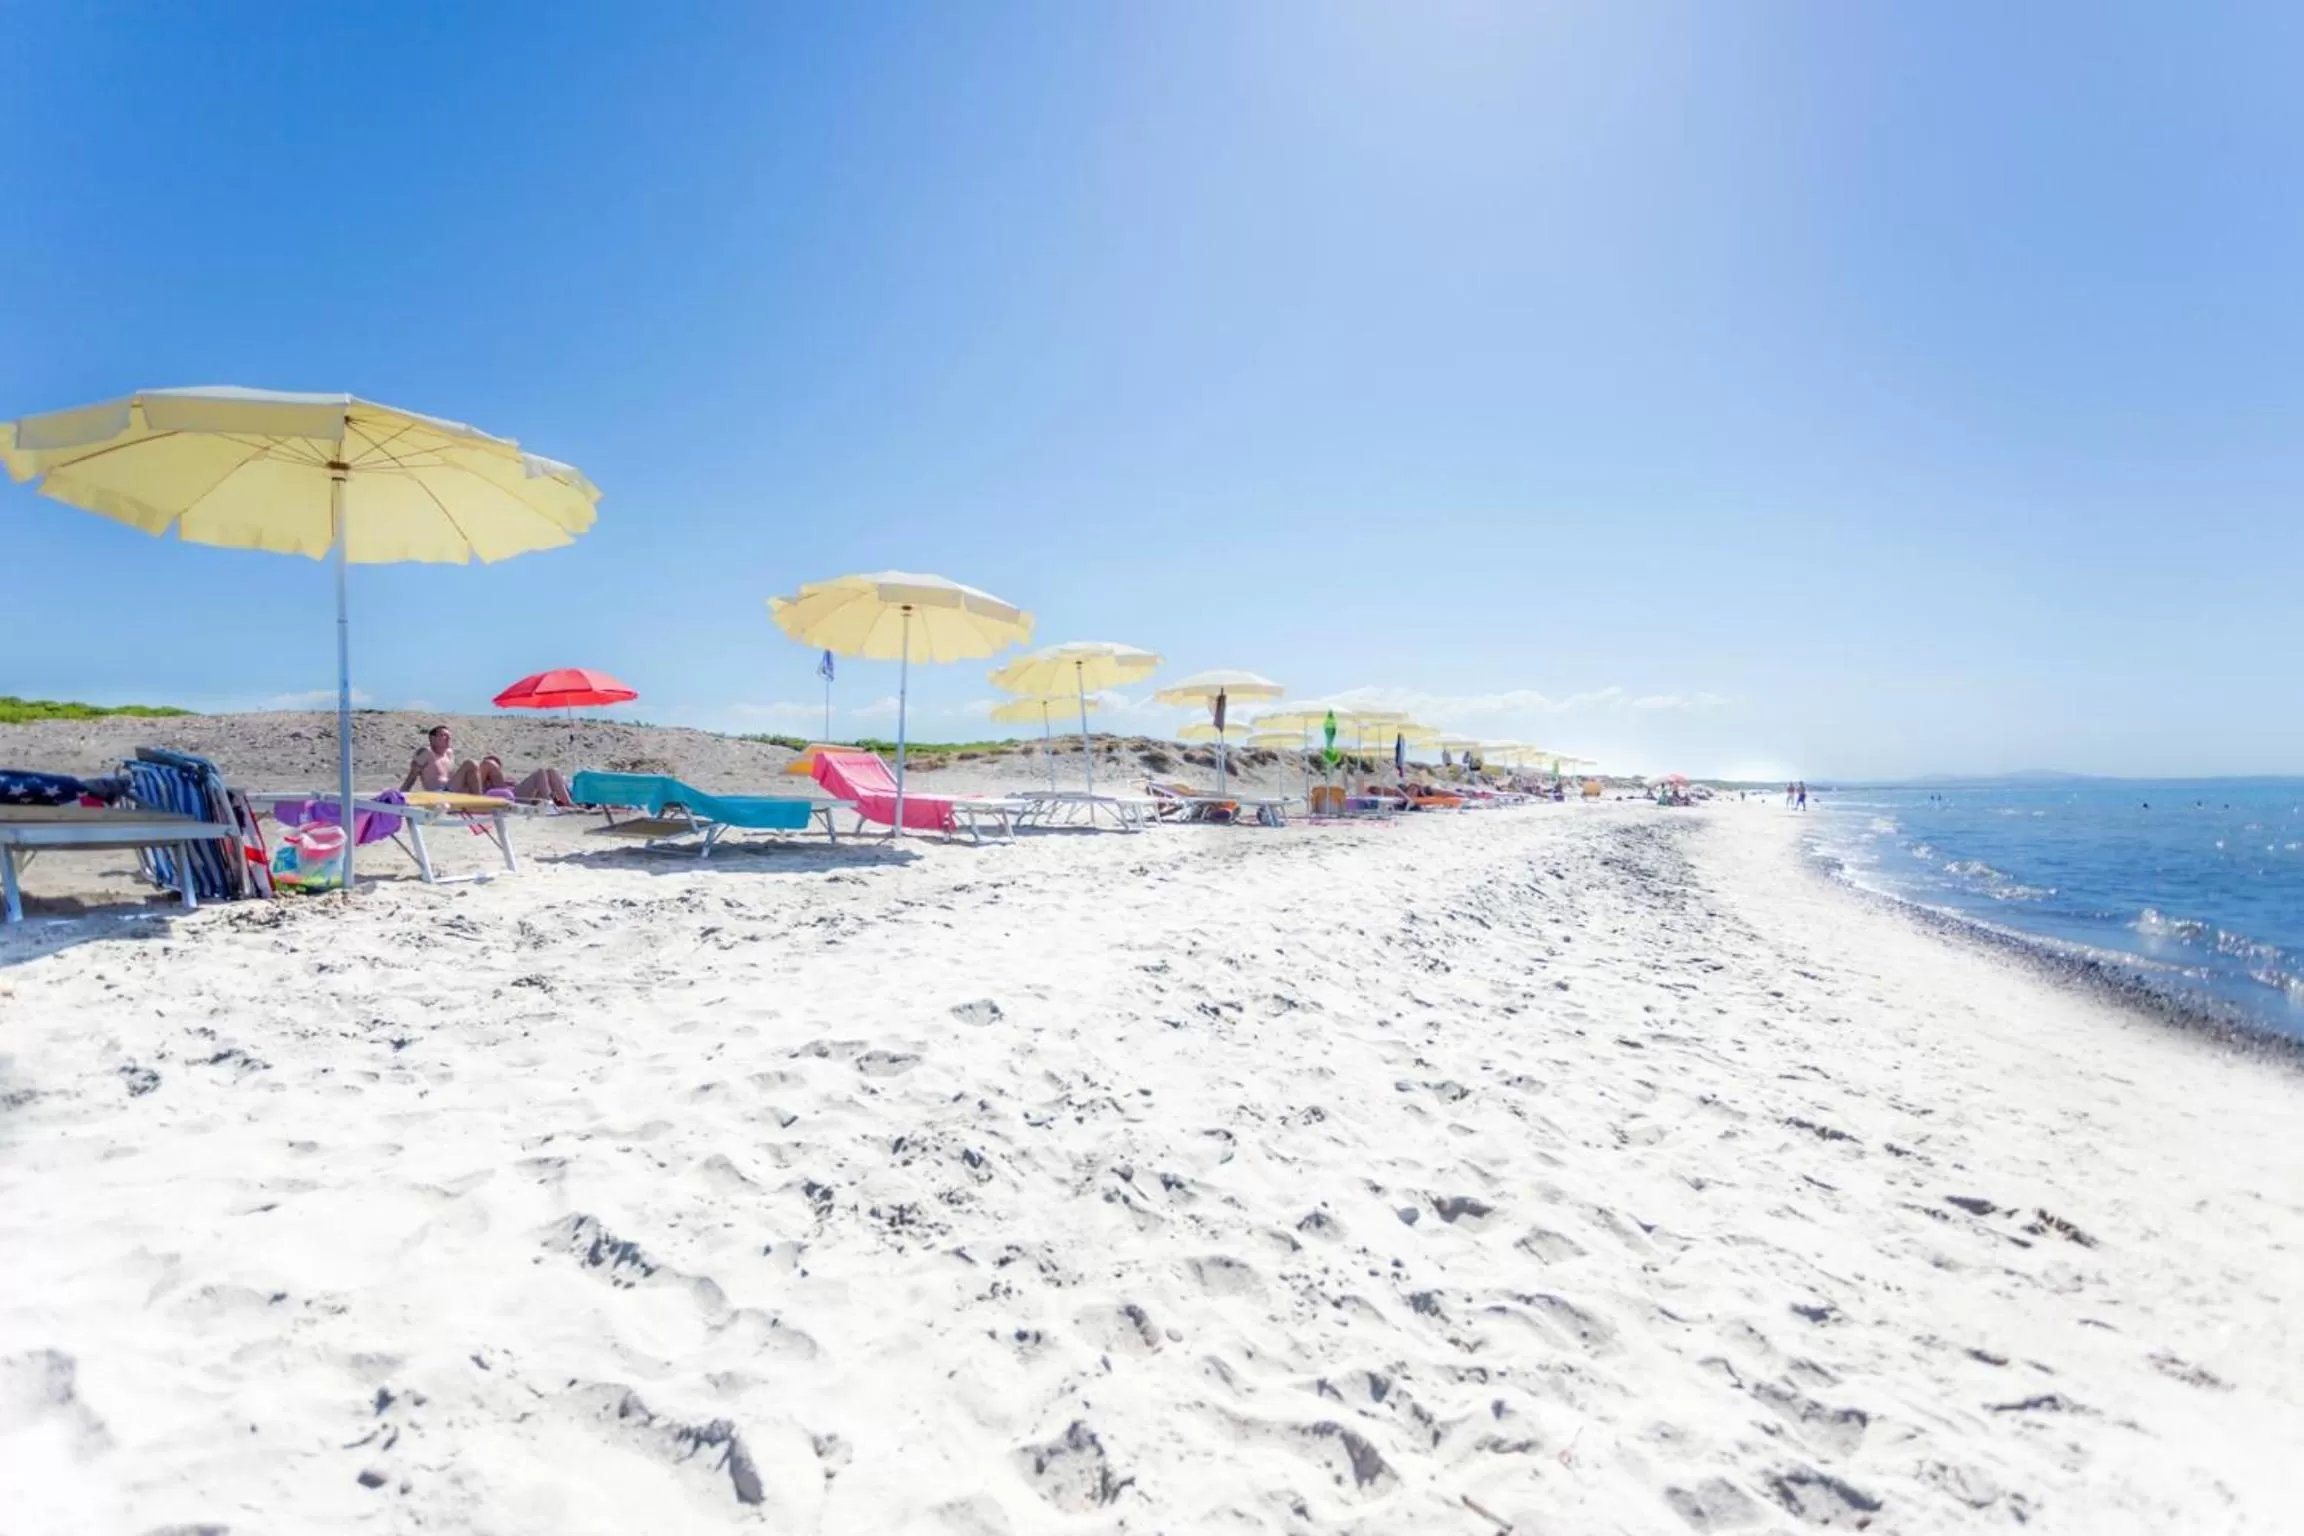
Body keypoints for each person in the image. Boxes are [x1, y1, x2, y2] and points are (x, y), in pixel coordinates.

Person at [399, 725, 575, 807]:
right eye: (444, 735)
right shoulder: (425, 752)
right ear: (432, 738)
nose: (448, 738)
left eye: (449, 736)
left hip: (454, 789)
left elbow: (454, 776)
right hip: (438, 793)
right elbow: (411, 778)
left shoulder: (449, 754)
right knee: (471, 763)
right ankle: (480, 801)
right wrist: (400, 798)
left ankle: (504, 794)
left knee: (488, 764)